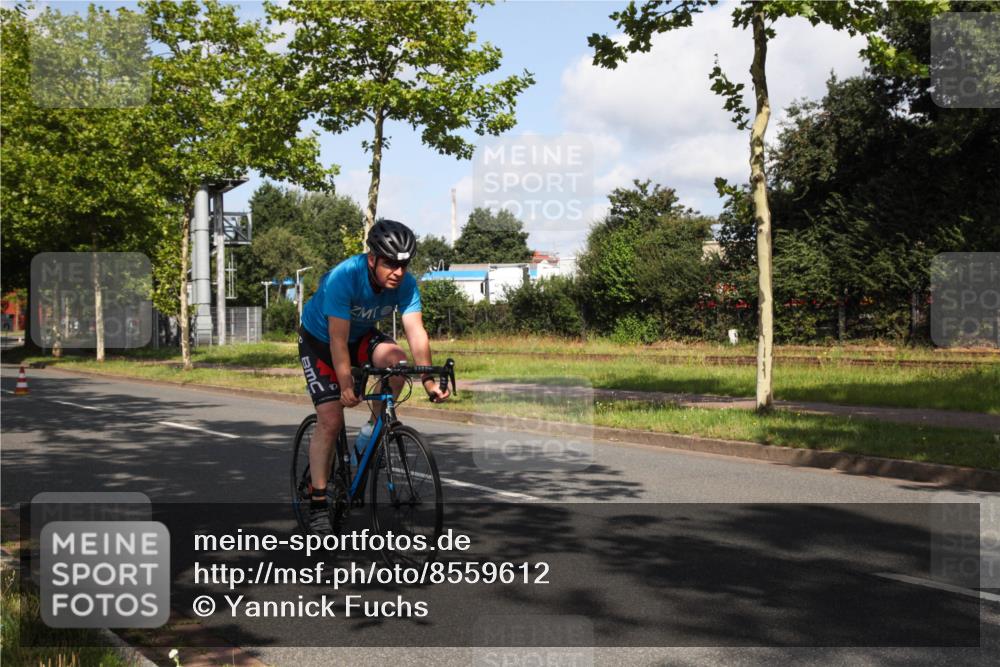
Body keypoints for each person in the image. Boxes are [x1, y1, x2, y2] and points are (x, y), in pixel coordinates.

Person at [297, 219, 450, 534]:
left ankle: (370, 436)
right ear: (372, 259)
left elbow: (416, 332)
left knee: (397, 363)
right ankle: (318, 502)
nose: (398, 271)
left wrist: (429, 382)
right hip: (320, 342)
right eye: (391, 264)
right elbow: (338, 340)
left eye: (404, 265)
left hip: (361, 336)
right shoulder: (345, 277)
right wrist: (345, 384)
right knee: (331, 420)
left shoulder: (405, 285)